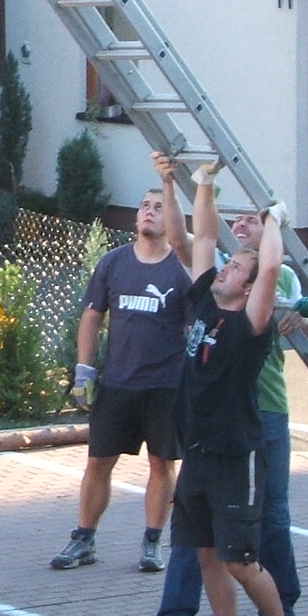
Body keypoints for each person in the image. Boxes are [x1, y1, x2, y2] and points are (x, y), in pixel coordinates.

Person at [160, 166, 301, 616]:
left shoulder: (250, 323)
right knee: (205, 553)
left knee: (240, 559)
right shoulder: (205, 301)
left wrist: (275, 219)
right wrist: (203, 183)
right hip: (198, 450)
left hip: (235, 454)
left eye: (236, 268)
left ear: (248, 287)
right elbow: (199, 240)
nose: (225, 268)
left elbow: (270, 268)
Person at [54, 170, 190, 574]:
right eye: (145, 206)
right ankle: (84, 538)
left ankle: (152, 542)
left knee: (162, 464)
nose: (149, 212)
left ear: (173, 219)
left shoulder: (182, 270)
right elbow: (92, 316)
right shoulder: (113, 263)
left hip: (165, 385)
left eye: (159, 207)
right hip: (117, 383)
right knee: (98, 461)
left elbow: (193, 329)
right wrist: (83, 370)